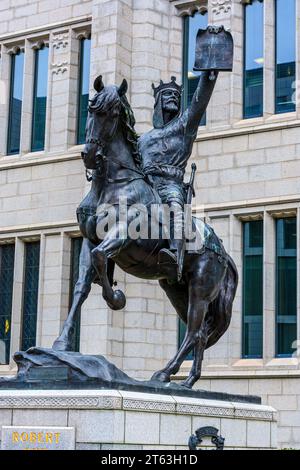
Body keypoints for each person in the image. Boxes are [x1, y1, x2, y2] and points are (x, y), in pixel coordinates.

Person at [138, 71, 218, 281]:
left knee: (175, 207)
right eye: (167, 94)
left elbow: (200, 102)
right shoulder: (143, 140)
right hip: (144, 186)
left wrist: (210, 74)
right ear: (157, 102)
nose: (173, 97)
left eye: (176, 95)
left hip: (170, 185)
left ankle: (174, 254)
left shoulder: (184, 127)